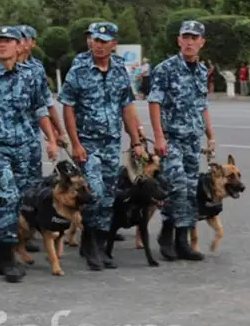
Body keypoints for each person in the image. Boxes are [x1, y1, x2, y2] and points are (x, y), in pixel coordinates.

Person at [0, 26, 58, 283]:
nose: (2, 45)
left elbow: (40, 108)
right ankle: (6, 257)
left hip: (26, 147)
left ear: (20, 46)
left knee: (21, 201)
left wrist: (50, 138)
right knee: (6, 197)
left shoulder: (31, 75)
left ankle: (3, 256)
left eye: (8, 41)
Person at [59, 22, 143, 270]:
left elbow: (126, 107)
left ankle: (100, 244)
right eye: (94, 40)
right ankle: (91, 243)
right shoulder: (79, 69)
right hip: (87, 141)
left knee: (108, 196)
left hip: (111, 141)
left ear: (114, 44)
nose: (97, 45)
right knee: (93, 192)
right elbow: (68, 107)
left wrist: (136, 141)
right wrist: (75, 143)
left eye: (103, 41)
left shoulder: (119, 69)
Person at [148, 20, 214, 261]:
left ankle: (182, 240)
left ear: (201, 42)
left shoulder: (201, 71)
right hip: (171, 138)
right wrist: (158, 136)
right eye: (185, 37)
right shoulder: (165, 69)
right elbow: (154, 101)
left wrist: (210, 135)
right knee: (175, 185)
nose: (189, 42)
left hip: (193, 139)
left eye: (194, 38)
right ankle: (166, 234)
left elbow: (202, 105)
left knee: (190, 189)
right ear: (178, 40)